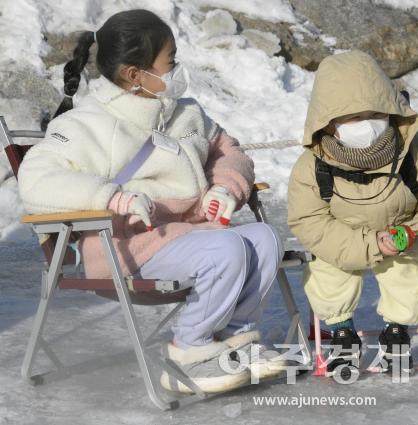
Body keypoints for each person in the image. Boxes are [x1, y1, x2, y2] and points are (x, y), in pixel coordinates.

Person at [18, 9, 285, 393]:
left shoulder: (187, 113)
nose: (178, 70)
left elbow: (230, 151)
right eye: (170, 63)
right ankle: (188, 349)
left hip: (192, 235)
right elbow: (36, 180)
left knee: (265, 238)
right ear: (134, 74)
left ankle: (233, 338)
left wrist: (225, 187)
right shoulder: (85, 125)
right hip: (127, 247)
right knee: (227, 248)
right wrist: (111, 197)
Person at [287, 51, 418, 375]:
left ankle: (397, 334)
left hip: (403, 234)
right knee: (327, 272)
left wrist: (412, 234)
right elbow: (309, 220)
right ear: (328, 122)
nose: (365, 124)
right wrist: (367, 244)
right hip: (343, 236)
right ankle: (343, 334)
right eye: (352, 118)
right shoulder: (311, 166)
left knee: (410, 275)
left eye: (373, 113)